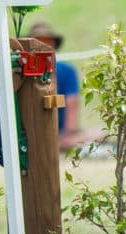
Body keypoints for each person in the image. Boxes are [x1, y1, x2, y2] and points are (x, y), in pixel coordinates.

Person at [28, 20, 94, 152]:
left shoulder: (67, 71)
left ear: (53, 45)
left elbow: (72, 103)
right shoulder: (21, 72)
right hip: (31, 131)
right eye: (38, 41)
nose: (43, 45)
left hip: (60, 132)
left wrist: (69, 134)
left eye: (46, 41)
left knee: (96, 134)